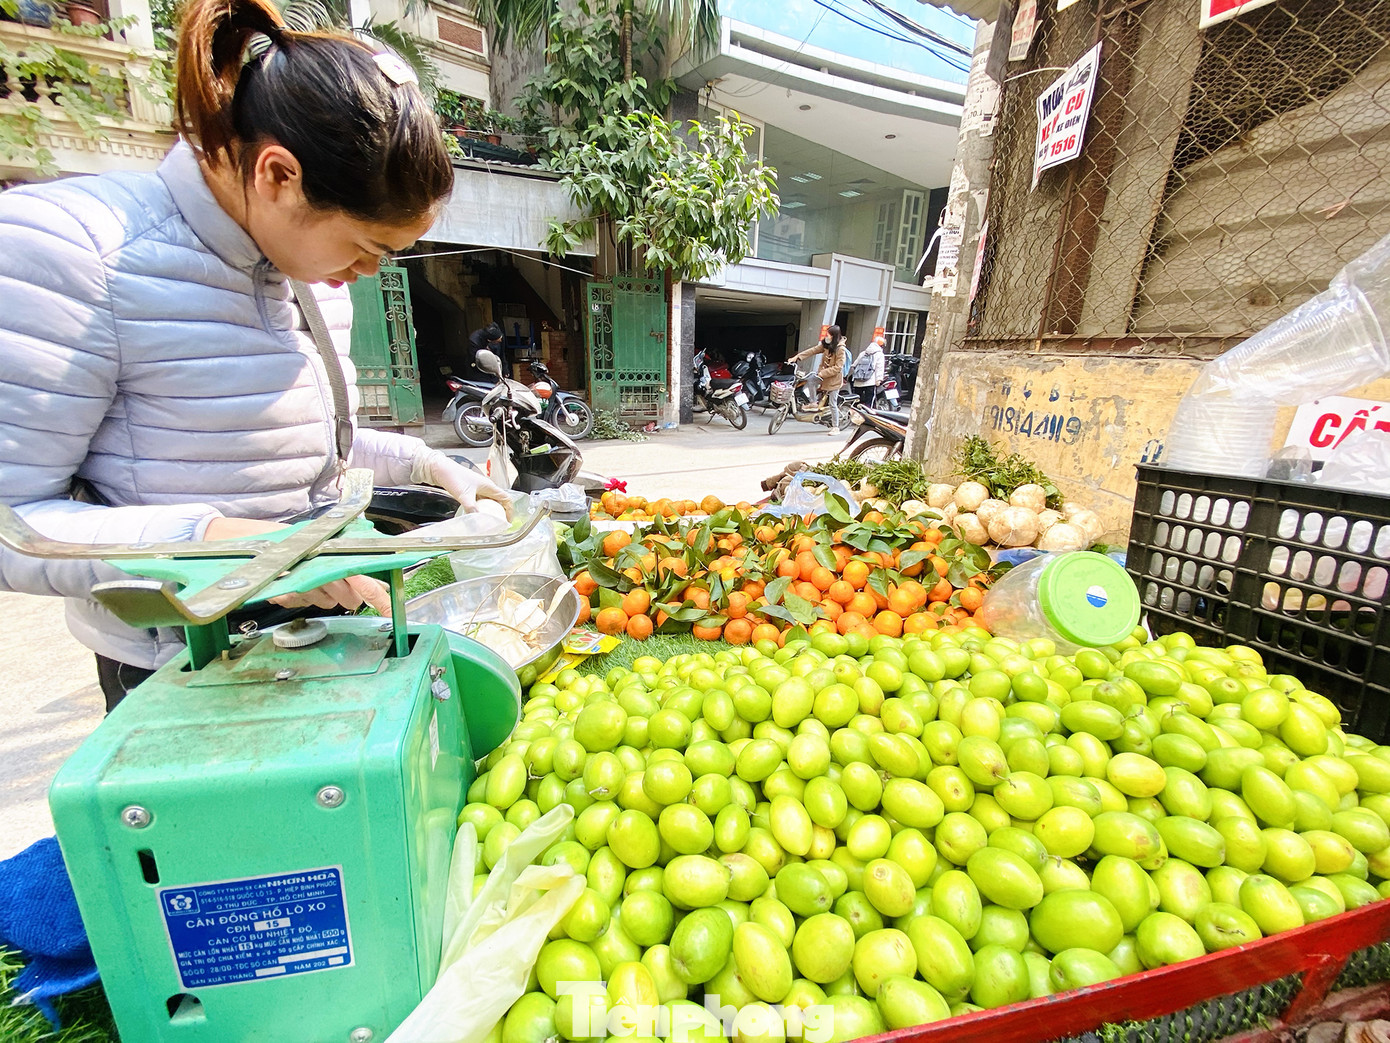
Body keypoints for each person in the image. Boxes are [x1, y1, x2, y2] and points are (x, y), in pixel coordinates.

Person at [0, 0, 511, 711]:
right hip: (183, 671)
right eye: (366, 248)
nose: (367, 273)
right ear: (278, 175)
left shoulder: (309, 275)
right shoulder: (76, 254)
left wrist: (425, 464)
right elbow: (15, 525)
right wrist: (228, 547)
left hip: (324, 631)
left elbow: (296, 451)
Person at [788, 325, 849, 434]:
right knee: (811, 379)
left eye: (828, 334)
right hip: (823, 376)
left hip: (834, 380)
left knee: (832, 403)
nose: (826, 336)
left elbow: (838, 367)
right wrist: (797, 357)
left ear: (834, 336)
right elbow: (812, 351)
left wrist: (823, 372)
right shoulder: (826, 345)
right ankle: (813, 403)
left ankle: (836, 427)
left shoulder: (840, 349)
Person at [851, 334, 887, 406]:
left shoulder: (863, 353)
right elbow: (879, 368)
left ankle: (854, 415)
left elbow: (854, 365)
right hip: (870, 382)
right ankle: (867, 416)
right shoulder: (879, 354)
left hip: (858, 381)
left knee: (856, 401)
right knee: (869, 402)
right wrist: (878, 380)